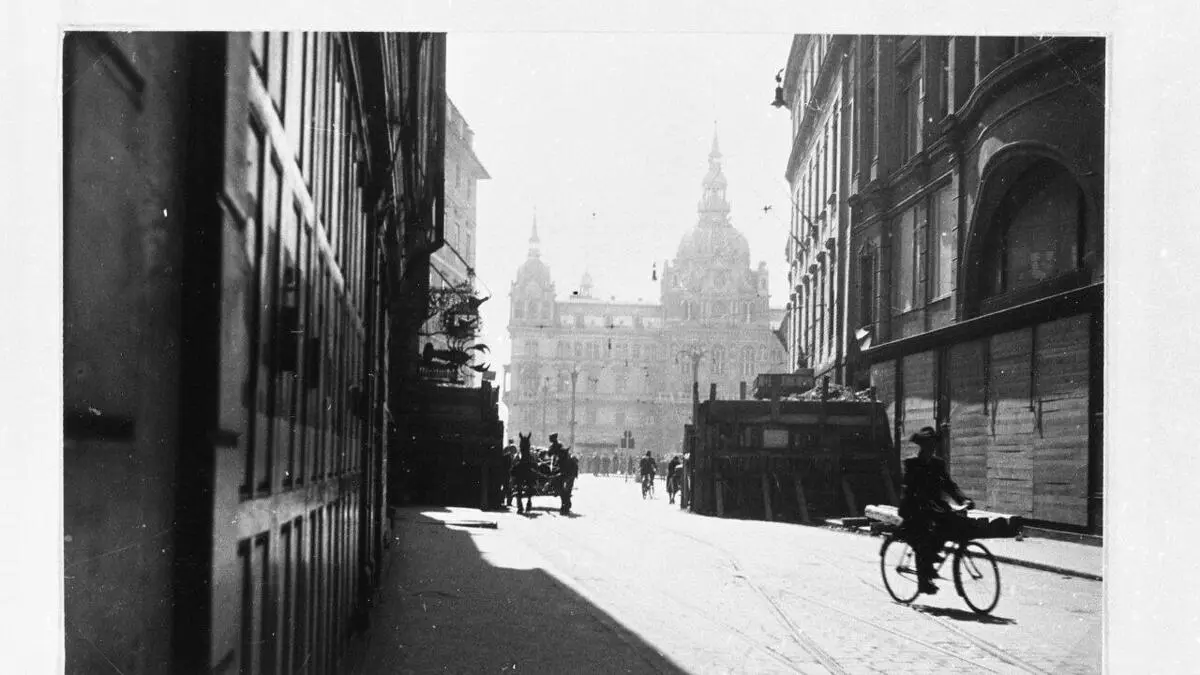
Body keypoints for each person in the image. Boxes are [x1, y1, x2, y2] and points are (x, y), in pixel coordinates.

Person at [899, 426, 975, 595]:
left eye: (933, 444)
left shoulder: (938, 464)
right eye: (928, 444)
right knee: (922, 537)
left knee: (949, 525)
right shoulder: (911, 463)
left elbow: (949, 485)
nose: (931, 448)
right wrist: (921, 503)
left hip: (934, 506)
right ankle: (923, 582)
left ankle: (931, 555)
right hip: (914, 507)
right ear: (922, 446)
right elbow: (909, 489)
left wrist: (963, 499)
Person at [550, 441, 579, 515]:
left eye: (553, 438)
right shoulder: (553, 446)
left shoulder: (559, 445)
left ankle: (566, 503)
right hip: (560, 468)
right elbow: (549, 454)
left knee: (568, 488)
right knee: (562, 489)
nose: (553, 439)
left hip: (569, 473)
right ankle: (565, 503)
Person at [502, 438, 518, 507]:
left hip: (509, 473)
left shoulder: (507, 449)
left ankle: (506, 501)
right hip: (508, 473)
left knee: (508, 488)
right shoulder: (508, 455)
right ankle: (505, 501)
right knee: (508, 488)